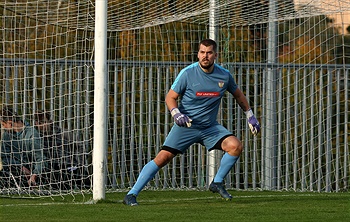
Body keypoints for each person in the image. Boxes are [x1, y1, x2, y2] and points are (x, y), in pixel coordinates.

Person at [122, 39, 261, 206]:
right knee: (163, 158)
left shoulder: (224, 75)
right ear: (198, 54)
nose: (205, 56)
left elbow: (238, 95)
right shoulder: (187, 73)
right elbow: (170, 97)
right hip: (187, 126)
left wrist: (250, 115)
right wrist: (176, 113)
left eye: (209, 53)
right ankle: (131, 195)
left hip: (210, 127)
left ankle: (216, 182)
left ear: (215, 55)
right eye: (202, 52)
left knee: (235, 146)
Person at [34, 110, 90, 189]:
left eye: (44, 122)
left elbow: (80, 147)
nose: (42, 125)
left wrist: (79, 163)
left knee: (84, 180)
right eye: (39, 123)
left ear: (50, 121)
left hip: (68, 166)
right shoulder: (37, 136)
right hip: (51, 168)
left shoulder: (64, 133)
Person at [0, 107, 47, 187]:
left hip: (32, 173)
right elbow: (5, 158)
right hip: (14, 170)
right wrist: (20, 167)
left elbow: (41, 159)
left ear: (10, 123)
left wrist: (34, 175)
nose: (3, 127)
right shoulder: (6, 135)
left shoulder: (32, 134)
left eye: (3, 125)